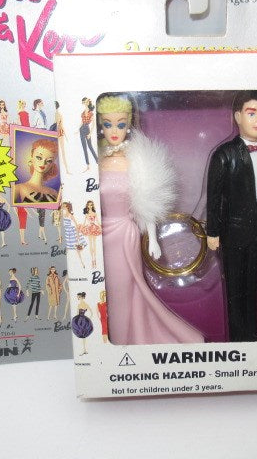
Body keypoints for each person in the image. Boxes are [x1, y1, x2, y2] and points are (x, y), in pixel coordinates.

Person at [97, 93, 203, 345]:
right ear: (100, 125)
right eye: (108, 124)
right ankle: (122, 340)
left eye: (121, 124)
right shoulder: (95, 160)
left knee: (120, 290)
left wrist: (153, 238)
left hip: (123, 234)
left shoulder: (137, 160)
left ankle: (120, 342)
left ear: (129, 125)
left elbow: (148, 201)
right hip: (96, 234)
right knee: (103, 292)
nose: (114, 131)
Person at [206, 90, 257, 342]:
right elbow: (214, 198)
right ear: (237, 117)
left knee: (253, 286)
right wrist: (213, 232)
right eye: (251, 113)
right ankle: (238, 339)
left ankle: (253, 337)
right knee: (235, 290)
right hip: (233, 234)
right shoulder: (225, 154)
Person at [14, 138, 59, 203]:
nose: (43, 163)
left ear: (52, 164)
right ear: (31, 158)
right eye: (39, 158)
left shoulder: (54, 192)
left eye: (49, 161)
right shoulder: (18, 188)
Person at [79, 97, 98, 172]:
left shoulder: (91, 113)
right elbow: (82, 122)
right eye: (84, 102)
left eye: (86, 102)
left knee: (90, 147)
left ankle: (97, 161)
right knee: (84, 148)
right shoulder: (83, 112)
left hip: (87, 129)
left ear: (88, 102)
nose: (85, 103)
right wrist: (78, 129)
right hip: (81, 130)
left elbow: (93, 124)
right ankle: (88, 165)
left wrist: (90, 133)